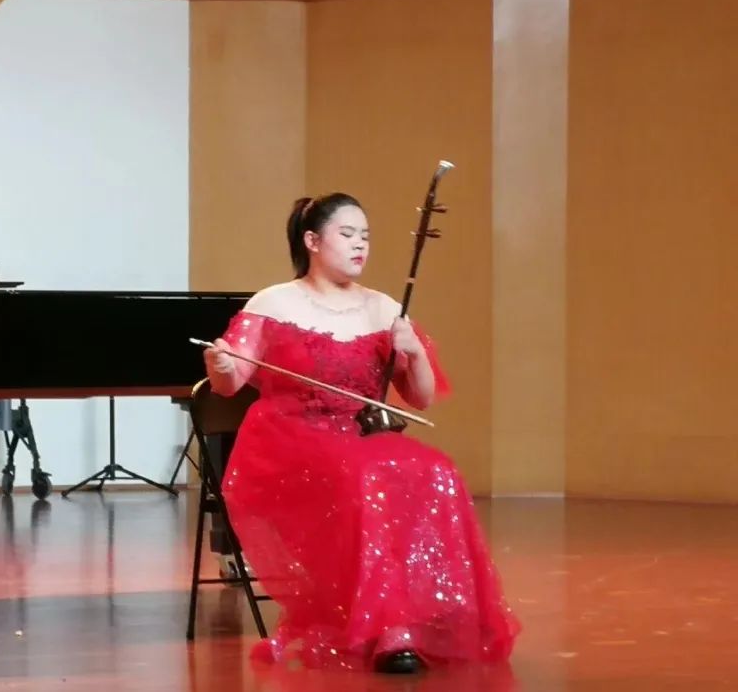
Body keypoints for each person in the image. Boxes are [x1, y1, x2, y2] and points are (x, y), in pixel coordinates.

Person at [202, 192, 520, 675]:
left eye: (365, 237)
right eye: (347, 234)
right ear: (312, 241)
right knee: (368, 478)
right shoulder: (273, 302)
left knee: (437, 471)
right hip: (290, 438)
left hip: (362, 437)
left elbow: (420, 397)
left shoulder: (383, 307)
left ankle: (422, 615)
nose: (360, 245)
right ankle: (390, 628)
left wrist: (412, 350)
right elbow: (230, 383)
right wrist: (221, 364)